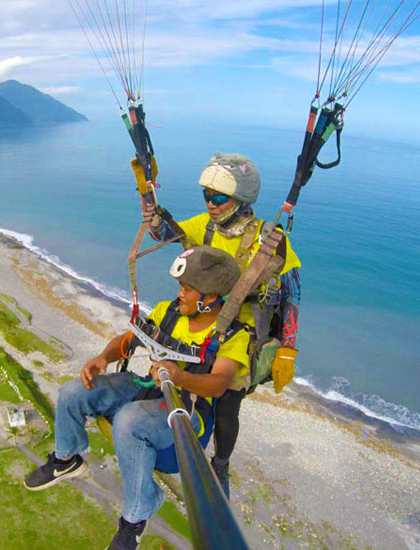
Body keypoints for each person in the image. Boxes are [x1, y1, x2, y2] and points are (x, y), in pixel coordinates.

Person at [24, 246, 250, 550]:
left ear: (210, 299)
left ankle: (135, 517)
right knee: (73, 391)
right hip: (150, 387)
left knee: (129, 420)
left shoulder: (233, 336)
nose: (179, 293)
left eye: (187, 288)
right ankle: (66, 458)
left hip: (188, 408)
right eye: (180, 286)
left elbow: (220, 382)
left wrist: (179, 376)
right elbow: (131, 340)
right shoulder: (170, 312)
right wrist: (103, 357)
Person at [138, 152, 302, 497]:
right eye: (206, 196)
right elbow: (161, 234)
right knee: (172, 381)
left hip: (241, 333)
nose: (210, 204)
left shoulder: (268, 239)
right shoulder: (204, 227)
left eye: (218, 198)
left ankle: (220, 463)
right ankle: (163, 441)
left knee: (227, 404)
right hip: (202, 322)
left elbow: (291, 294)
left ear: (240, 199)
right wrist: (146, 192)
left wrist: (287, 349)